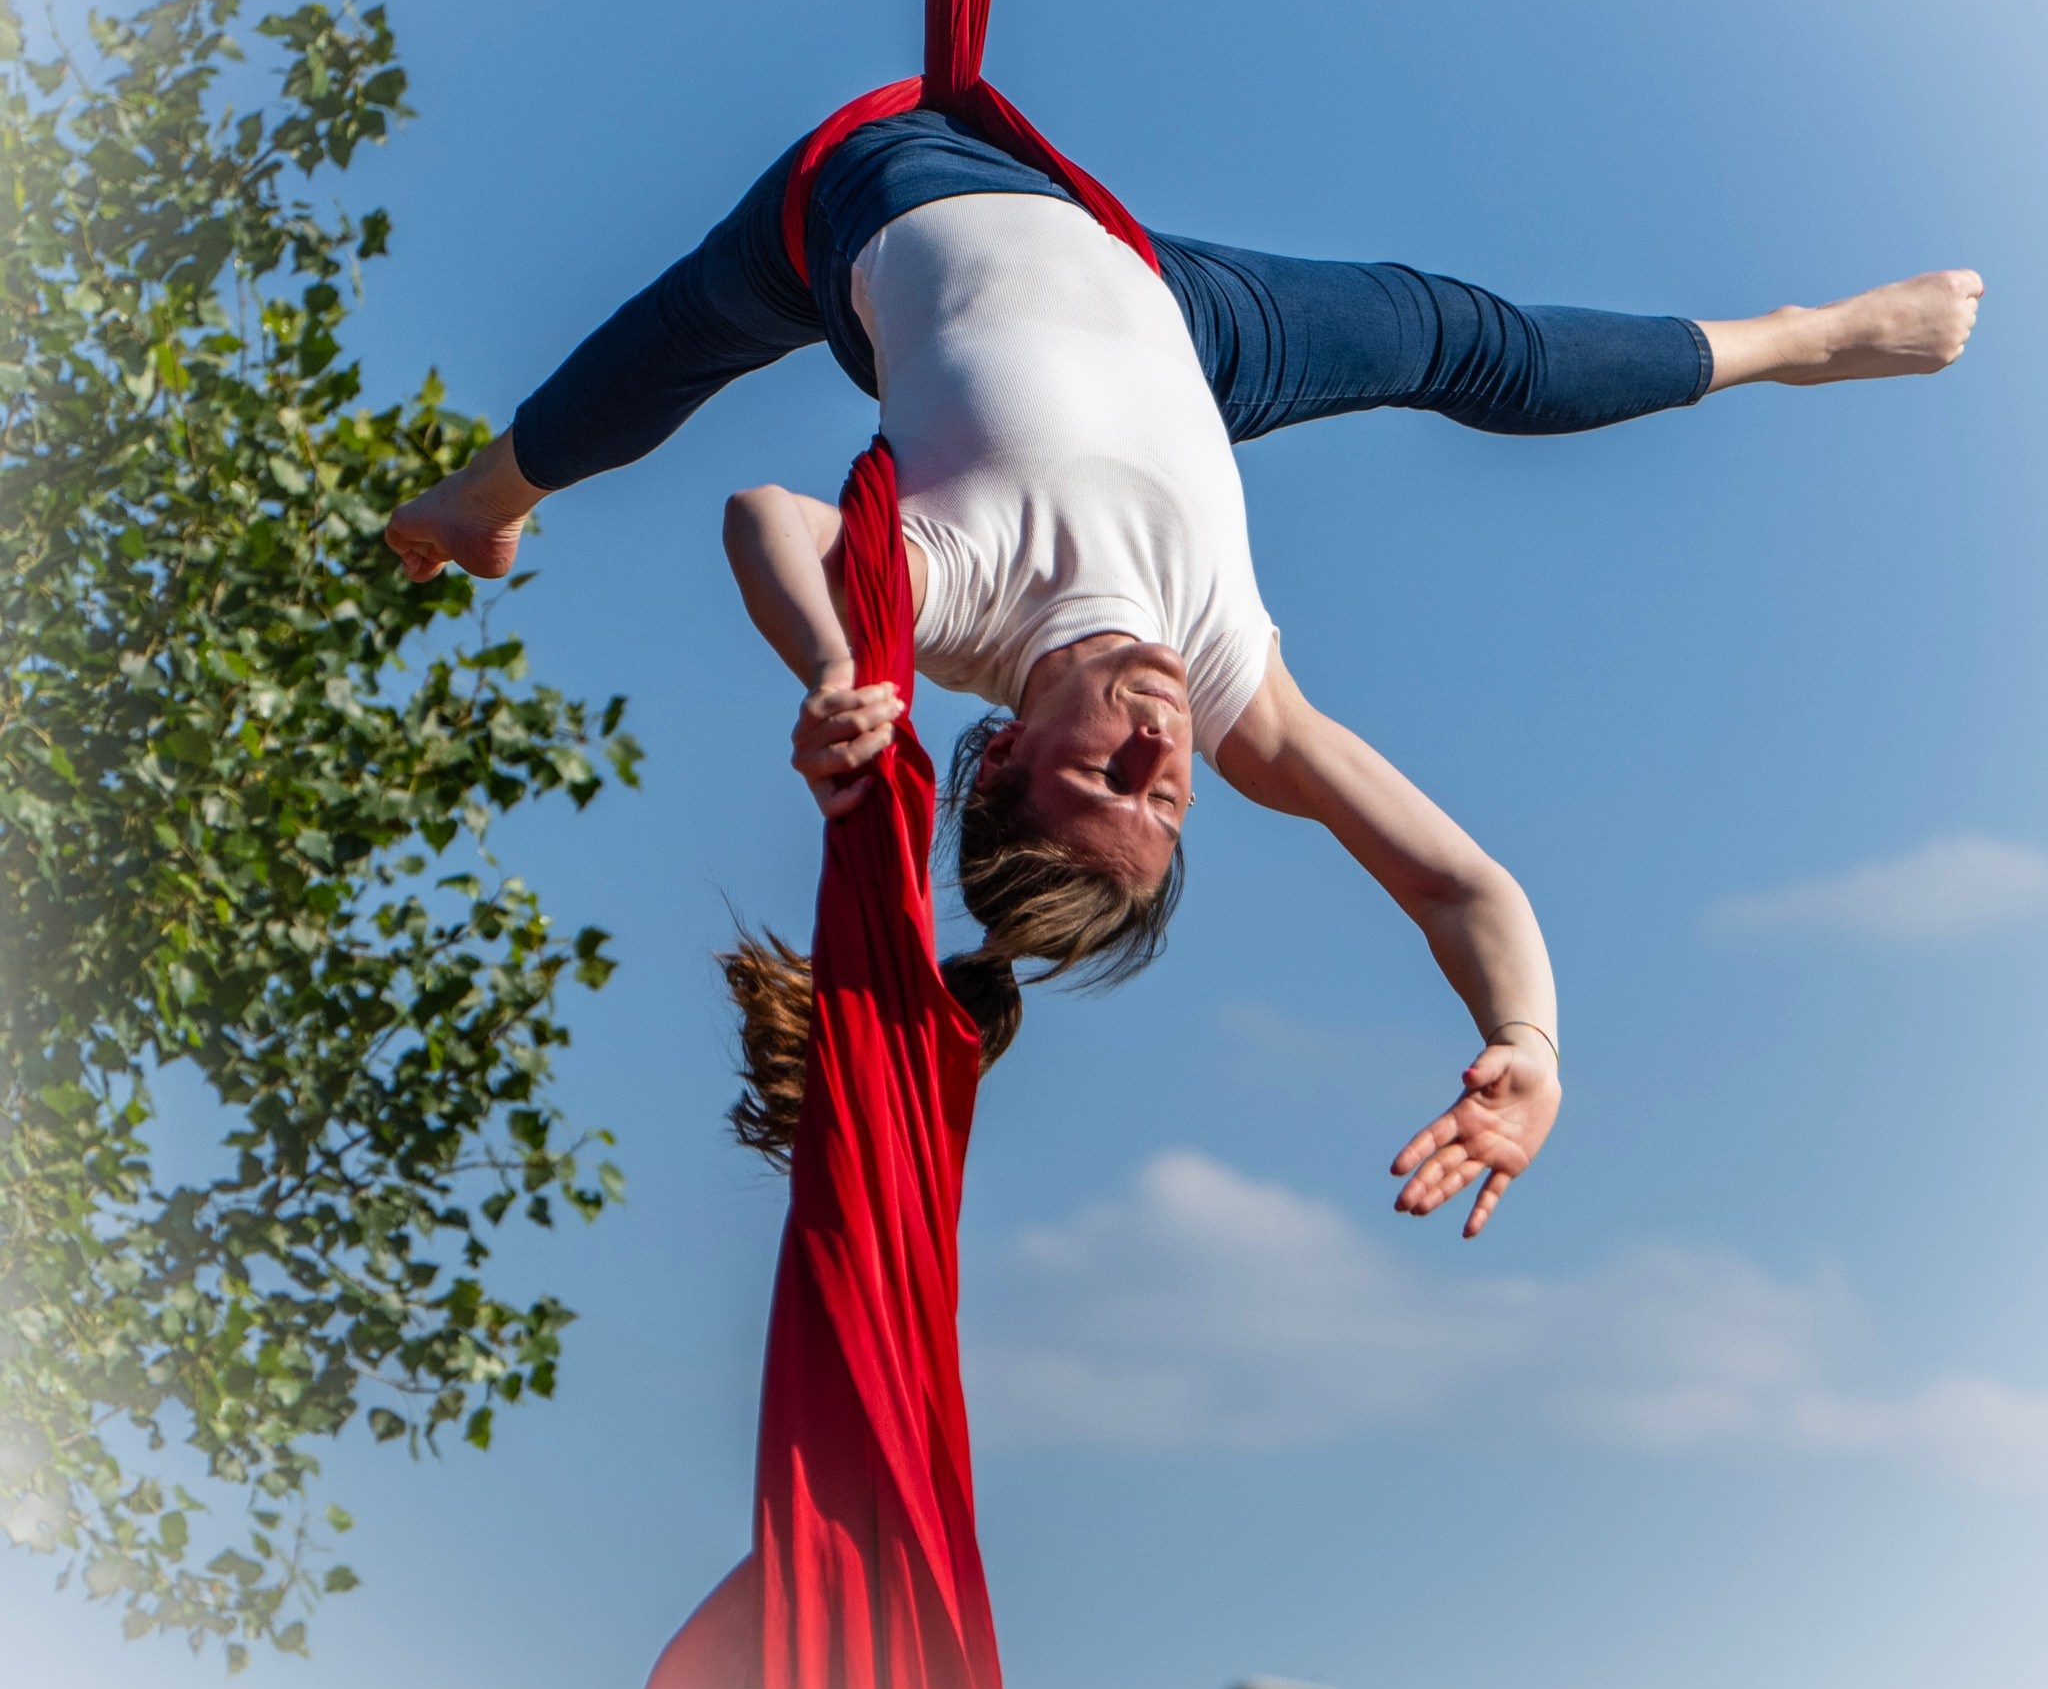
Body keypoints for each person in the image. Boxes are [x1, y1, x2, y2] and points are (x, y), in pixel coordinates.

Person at [385, 108, 1982, 1236]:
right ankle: (1802, 340)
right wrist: (1531, 1047)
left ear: (1003, 753)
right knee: (1467, 345)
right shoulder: (1237, 706)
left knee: (684, 334)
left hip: (884, 188)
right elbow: (1459, 886)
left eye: (1110, 775)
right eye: (1171, 800)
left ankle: (482, 499)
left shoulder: (960, 602)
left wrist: (831, 668)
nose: (1164, 747)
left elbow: (763, 518)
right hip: (1185, 320)